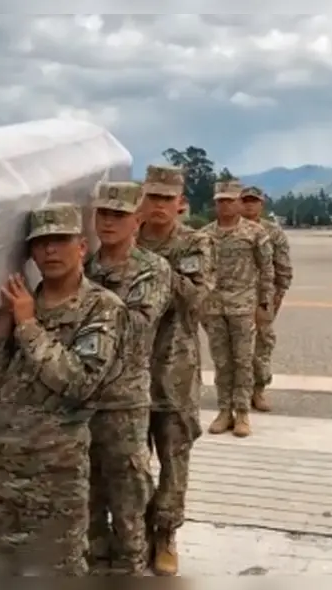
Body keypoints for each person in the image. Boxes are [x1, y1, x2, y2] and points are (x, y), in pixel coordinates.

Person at [0, 203, 126, 576]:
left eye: (60, 240)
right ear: (31, 253)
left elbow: (78, 383)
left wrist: (28, 326)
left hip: (54, 473)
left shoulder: (102, 308)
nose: (50, 250)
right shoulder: (20, 304)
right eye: (41, 243)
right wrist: (3, 329)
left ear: (82, 247)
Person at [83, 181, 170, 574]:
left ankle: (132, 563)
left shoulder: (152, 269)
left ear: (137, 220)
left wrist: (83, 309)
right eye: (103, 213)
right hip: (83, 398)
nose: (109, 221)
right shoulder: (83, 266)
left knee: (128, 493)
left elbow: (136, 327)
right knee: (88, 492)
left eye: (118, 214)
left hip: (124, 400)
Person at [136, 165, 214, 576]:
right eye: (153, 197)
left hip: (174, 369)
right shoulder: (122, 240)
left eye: (168, 199)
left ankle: (166, 534)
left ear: (180, 203)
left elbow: (196, 300)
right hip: (128, 371)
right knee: (130, 458)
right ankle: (134, 531)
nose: (160, 206)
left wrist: (153, 266)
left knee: (173, 456)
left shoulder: (194, 244)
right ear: (142, 199)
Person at [202, 180, 275, 438]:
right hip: (215, 307)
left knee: (244, 361)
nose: (224, 205)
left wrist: (264, 304)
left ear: (238, 202)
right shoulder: (205, 235)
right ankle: (225, 411)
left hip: (244, 307)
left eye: (229, 201)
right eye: (220, 201)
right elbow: (200, 272)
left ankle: (243, 412)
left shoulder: (255, 233)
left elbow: (267, 270)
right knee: (222, 362)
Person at [238, 187, 293, 412]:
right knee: (234, 348)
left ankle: (258, 390)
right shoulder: (228, 229)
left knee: (262, 344)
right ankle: (236, 393)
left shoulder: (273, 232)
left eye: (254, 201)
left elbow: (283, 266)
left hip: (263, 298)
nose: (249, 205)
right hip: (234, 297)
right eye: (246, 201)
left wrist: (278, 294)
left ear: (262, 205)